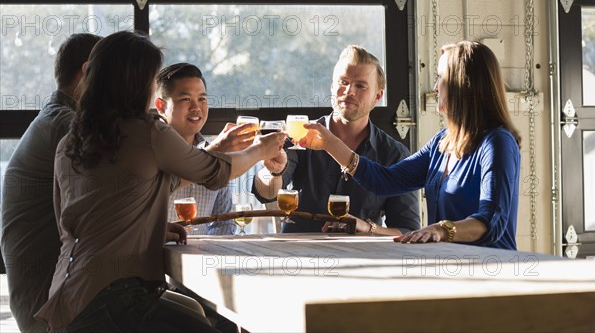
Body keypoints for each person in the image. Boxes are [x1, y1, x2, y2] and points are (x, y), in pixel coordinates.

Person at [34, 31, 286, 332]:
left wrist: (147, 227)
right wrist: (260, 150)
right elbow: (215, 173)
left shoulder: (71, 142)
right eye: (152, 78)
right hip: (115, 298)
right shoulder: (148, 132)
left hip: (66, 296)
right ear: (136, 83)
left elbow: (78, 221)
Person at [300, 41, 521, 250]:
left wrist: (440, 229)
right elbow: (384, 181)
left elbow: (492, 221)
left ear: (462, 85)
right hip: (452, 266)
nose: (435, 87)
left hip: (492, 268)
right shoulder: (442, 143)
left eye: (440, 77)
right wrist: (329, 143)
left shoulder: (497, 142)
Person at [253, 45, 420, 234]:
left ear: (378, 96)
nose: (349, 91)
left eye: (360, 85)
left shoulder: (394, 154)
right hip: (301, 255)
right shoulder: (301, 135)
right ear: (332, 87)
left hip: (365, 258)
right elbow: (266, 193)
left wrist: (366, 228)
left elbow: (408, 231)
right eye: (343, 82)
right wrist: (273, 173)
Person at [1, 33, 102, 333]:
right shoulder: (66, 125)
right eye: (112, 74)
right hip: (51, 312)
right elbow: (125, 183)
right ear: (87, 72)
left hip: (51, 300)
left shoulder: (56, 118)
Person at [155, 63, 254, 235]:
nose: (196, 108)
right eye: (186, 99)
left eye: (202, 99)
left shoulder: (217, 156)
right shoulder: (149, 151)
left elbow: (223, 221)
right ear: (161, 106)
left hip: (201, 258)